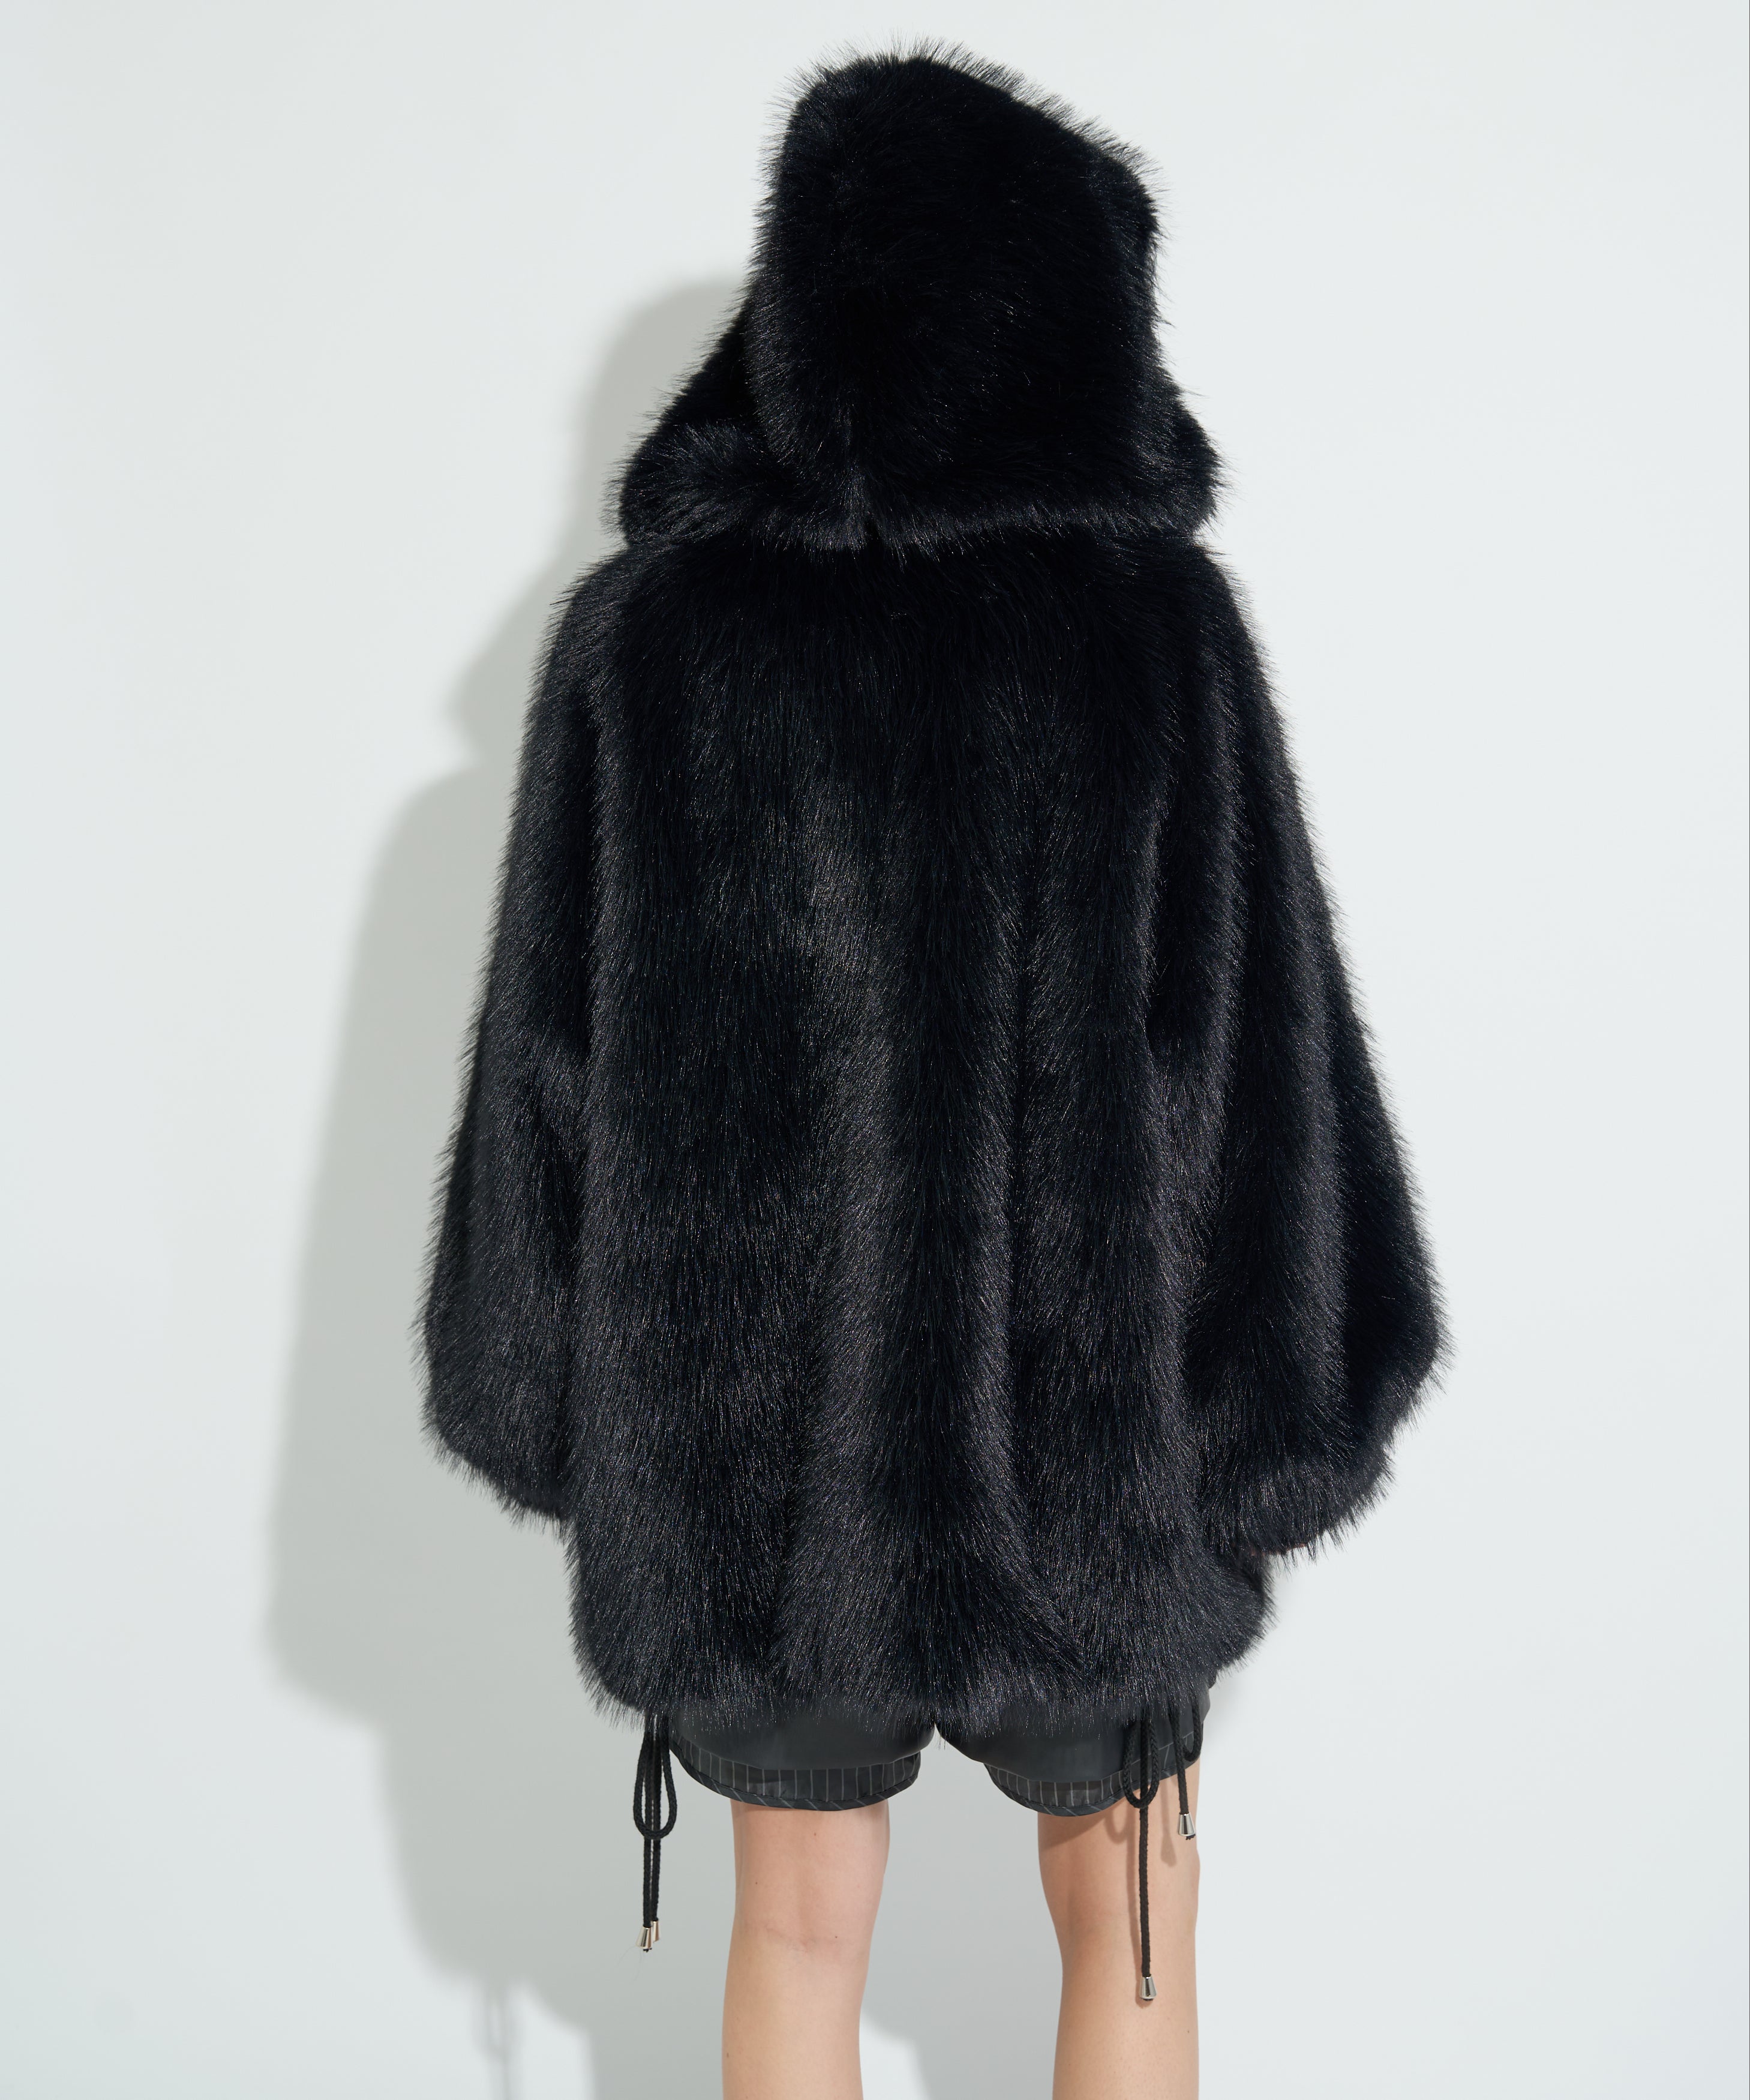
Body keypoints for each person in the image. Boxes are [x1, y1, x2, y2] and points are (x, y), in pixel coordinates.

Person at [422, 47, 1444, 2100]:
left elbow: (552, 1069)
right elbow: (1258, 1070)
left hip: (752, 1473)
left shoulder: (652, 643)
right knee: (1133, 1901)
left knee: (795, 1926)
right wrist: (1280, 1413)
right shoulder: (1156, 635)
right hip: (1096, 1446)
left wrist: (543, 1400)